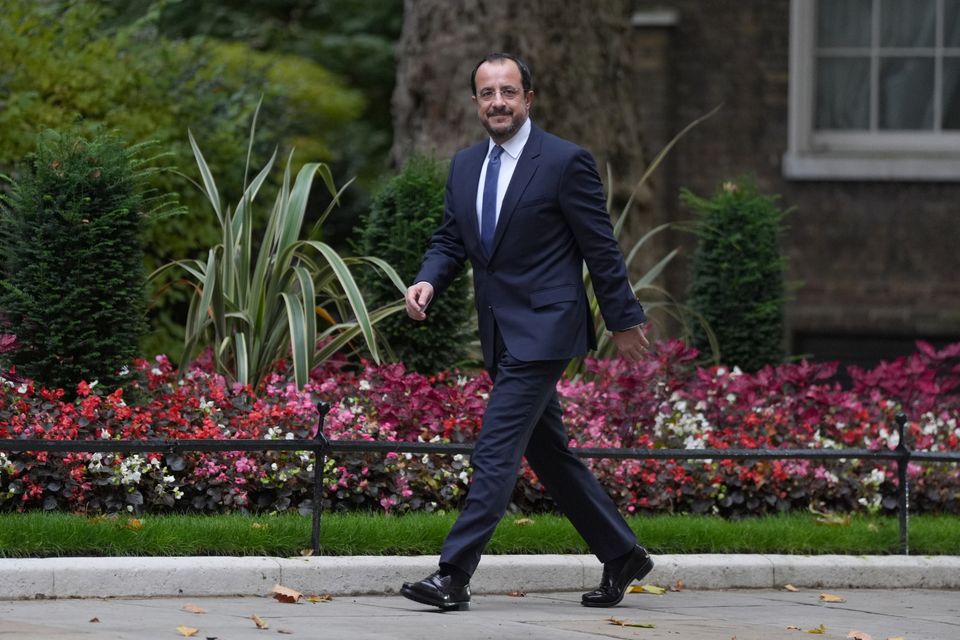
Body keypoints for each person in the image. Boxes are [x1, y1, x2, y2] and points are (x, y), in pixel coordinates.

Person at [400, 52, 653, 611]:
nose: (498, 102)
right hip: (499, 330)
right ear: (475, 102)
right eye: (487, 93)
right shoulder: (465, 166)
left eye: (508, 92)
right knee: (551, 454)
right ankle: (622, 553)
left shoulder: (565, 161)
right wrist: (427, 282)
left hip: (546, 328)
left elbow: (600, 247)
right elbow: (450, 241)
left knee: (495, 449)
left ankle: (453, 575)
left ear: (528, 99)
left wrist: (624, 318)